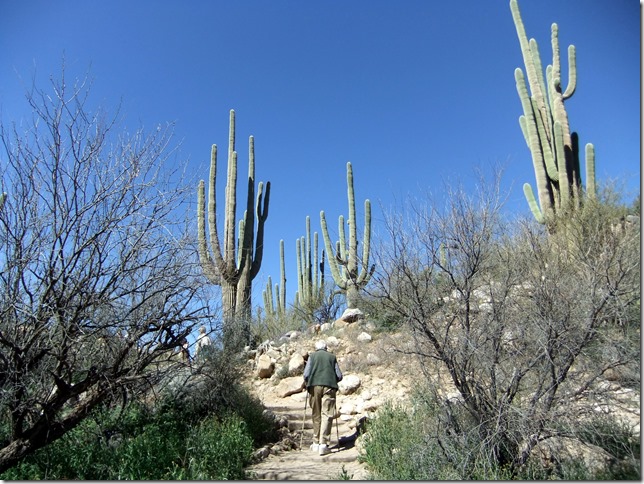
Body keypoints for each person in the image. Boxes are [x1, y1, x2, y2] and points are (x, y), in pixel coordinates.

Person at [303, 339, 343, 456]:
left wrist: (308, 381)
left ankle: (315, 442)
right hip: (329, 387)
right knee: (327, 414)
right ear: (326, 348)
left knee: (316, 413)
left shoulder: (312, 356)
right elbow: (339, 376)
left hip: (314, 386)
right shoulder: (332, 357)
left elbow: (306, 374)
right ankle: (323, 444)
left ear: (316, 348)